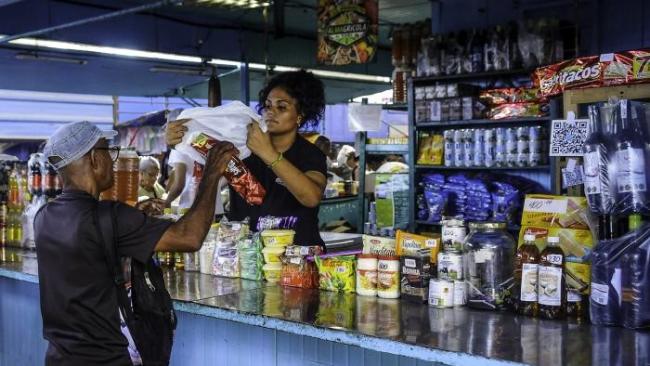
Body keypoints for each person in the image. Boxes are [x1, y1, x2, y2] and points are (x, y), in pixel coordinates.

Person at [35, 121, 236, 365]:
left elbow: (89, 251)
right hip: (104, 359)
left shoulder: (44, 216)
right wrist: (212, 173)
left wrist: (134, 218)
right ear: (94, 160)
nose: (113, 160)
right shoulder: (111, 218)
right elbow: (189, 237)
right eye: (108, 151)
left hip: (58, 357)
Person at [166, 70, 327, 248]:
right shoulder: (242, 147)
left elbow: (311, 197)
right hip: (247, 257)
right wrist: (180, 139)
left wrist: (268, 153)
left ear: (300, 114)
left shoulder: (309, 154)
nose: (271, 112)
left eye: (281, 107)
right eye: (268, 106)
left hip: (296, 258)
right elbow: (204, 152)